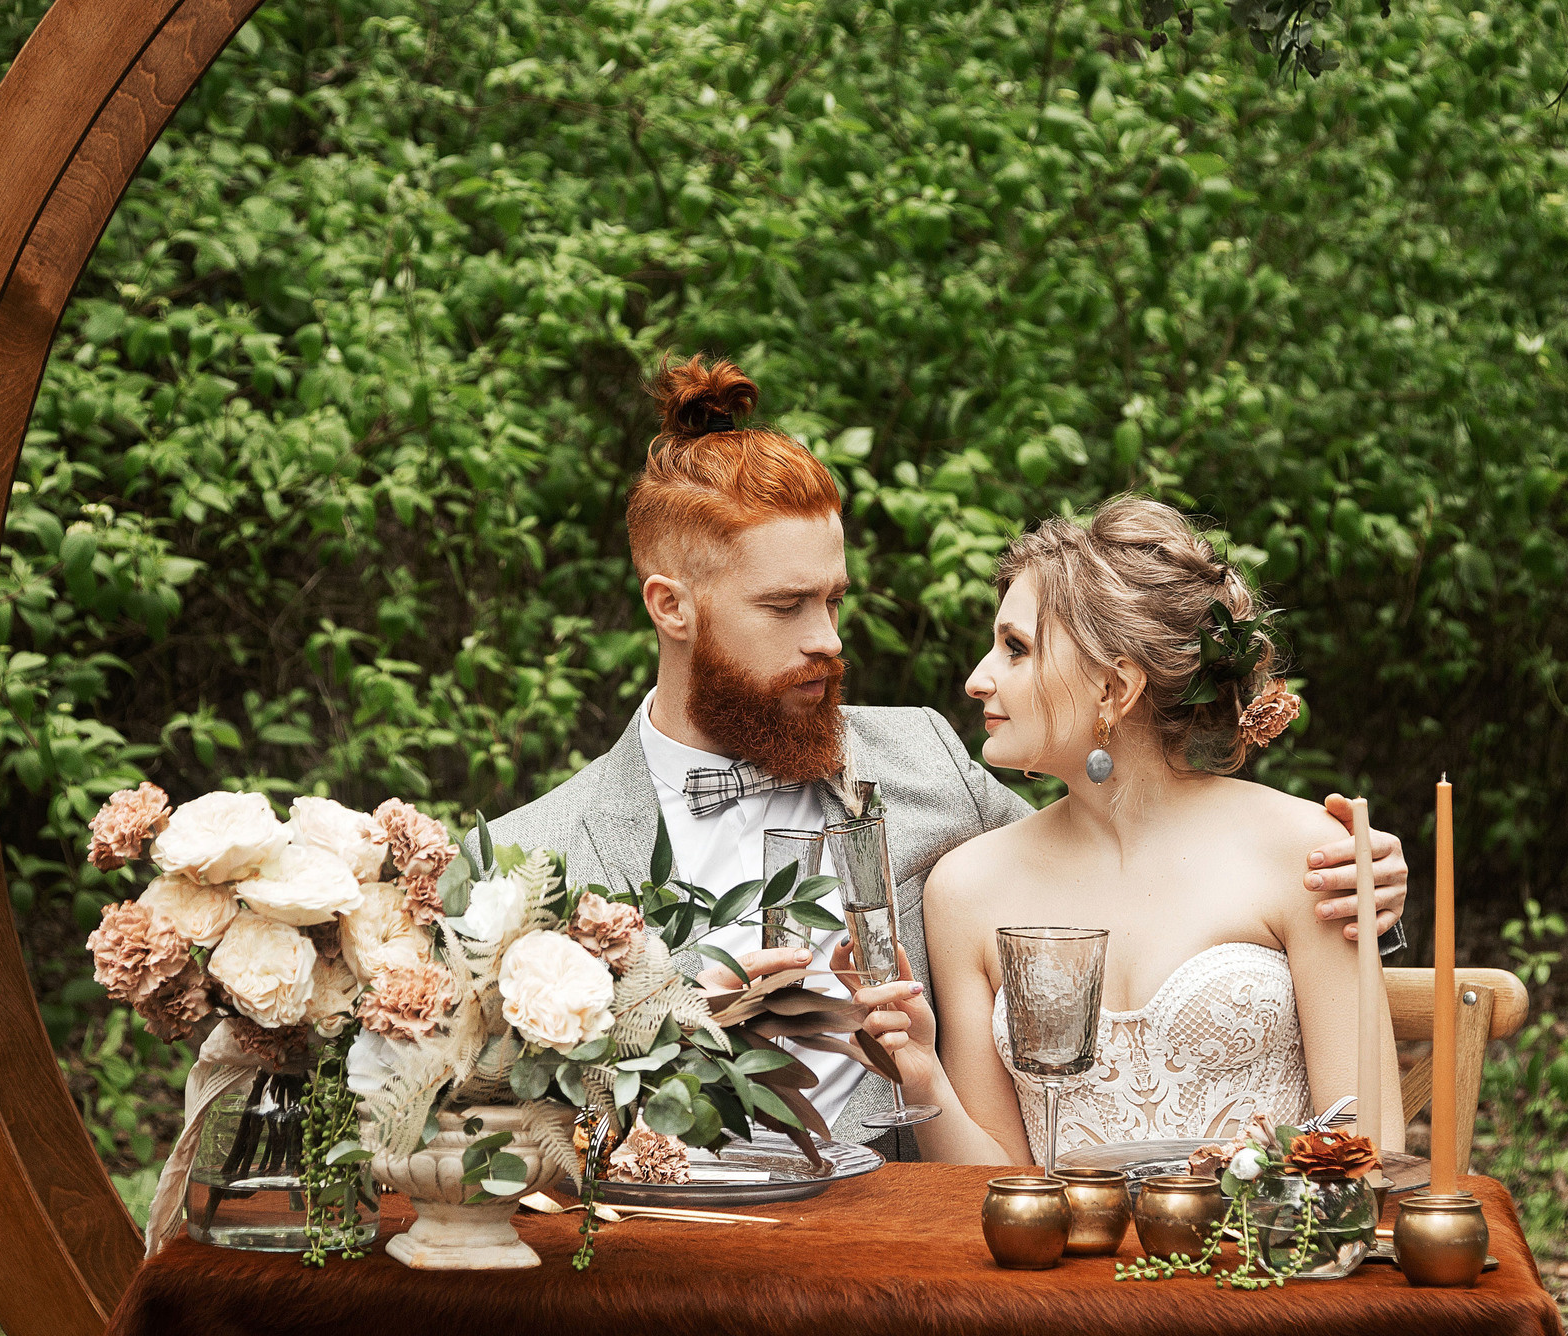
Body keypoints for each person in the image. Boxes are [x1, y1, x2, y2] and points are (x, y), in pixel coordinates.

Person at [491, 358, 1409, 1151]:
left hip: (902, 1258)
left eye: (835, 601)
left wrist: (1358, 882)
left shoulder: (921, 761)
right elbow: (498, 1120)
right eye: (786, 607)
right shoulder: (531, 861)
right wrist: (688, 1012)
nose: (829, 641)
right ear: (671, 607)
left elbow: (1127, 849)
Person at [851, 497, 1410, 1167]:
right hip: (1061, 1267)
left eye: (1016, 649)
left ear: (1114, 689)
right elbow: (995, 1184)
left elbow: (1370, 1148)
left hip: (1265, 1255)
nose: (977, 679)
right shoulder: (966, 889)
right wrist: (922, 1072)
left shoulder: (1307, 852)